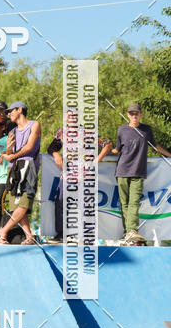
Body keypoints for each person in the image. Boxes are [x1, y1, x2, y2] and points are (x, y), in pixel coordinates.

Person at [100, 103, 171, 243]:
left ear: (140, 115)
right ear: (127, 115)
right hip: (122, 170)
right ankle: (129, 233)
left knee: (134, 202)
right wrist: (104, 151)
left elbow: (155, 146)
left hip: (138, 172)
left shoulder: (146, 130)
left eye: (136, 113)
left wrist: (169, 155)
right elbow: (117, 150)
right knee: (124, 203)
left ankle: (132, 230)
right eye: (131, 114)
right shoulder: (122, 130)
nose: (134, 116)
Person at [47, 115, 111, 242]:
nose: (70, 118)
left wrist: (96, 160)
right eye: (68, 115)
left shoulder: (88, 132)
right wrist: (56, 155)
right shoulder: (62, 132)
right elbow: (51, 148)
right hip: (67, 175)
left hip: (85, 175)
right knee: (60, 201)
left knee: (85, 205)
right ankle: (62, 234)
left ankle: (85, 236)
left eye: (73, 115)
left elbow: (107, 144)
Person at [0, 102, 41, 244]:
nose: (8, 114)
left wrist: (12, 155)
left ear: (20, 110)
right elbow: (9, 152)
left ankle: (3, 230)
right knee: (17, 205)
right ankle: (29, 236)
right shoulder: (13, 131)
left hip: (28, 167)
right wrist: (8, 148)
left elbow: (30, 147)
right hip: (13, 168)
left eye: (11, 111)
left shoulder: (34, 125)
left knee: (24, 203)